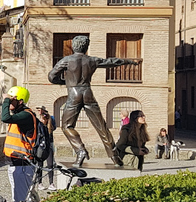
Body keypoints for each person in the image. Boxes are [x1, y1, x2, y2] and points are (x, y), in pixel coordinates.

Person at [47, 35, 135, 167]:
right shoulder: (92, 60)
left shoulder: (67, 60)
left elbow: (51, 76)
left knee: (67, 126)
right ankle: (115, 158)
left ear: (73, 46)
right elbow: (111, 62)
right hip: (88, 93)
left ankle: (80, 150)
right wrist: (127, 61)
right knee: (102, 128)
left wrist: (65, 82)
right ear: (86, 47)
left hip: (74, 94)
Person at [1, 86, 37, 202]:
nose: (9, 102)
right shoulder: (19, 116)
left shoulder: (26, 116)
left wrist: (6, 101)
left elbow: (5, 118)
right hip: (15, 163)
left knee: (22, 200)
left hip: (23, 164)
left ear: (20, 101)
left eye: (12, 100)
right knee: (19, 198)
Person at [35, 106, 57, 190]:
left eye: (40, 110)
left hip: (49, 145)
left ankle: (51, 183)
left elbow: (53, 125)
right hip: (40, 146)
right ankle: (39, 183)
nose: (39, 111)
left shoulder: (50, 123)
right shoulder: (38, 123)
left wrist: (47, 117)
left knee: (50, 164)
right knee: (40, 165)